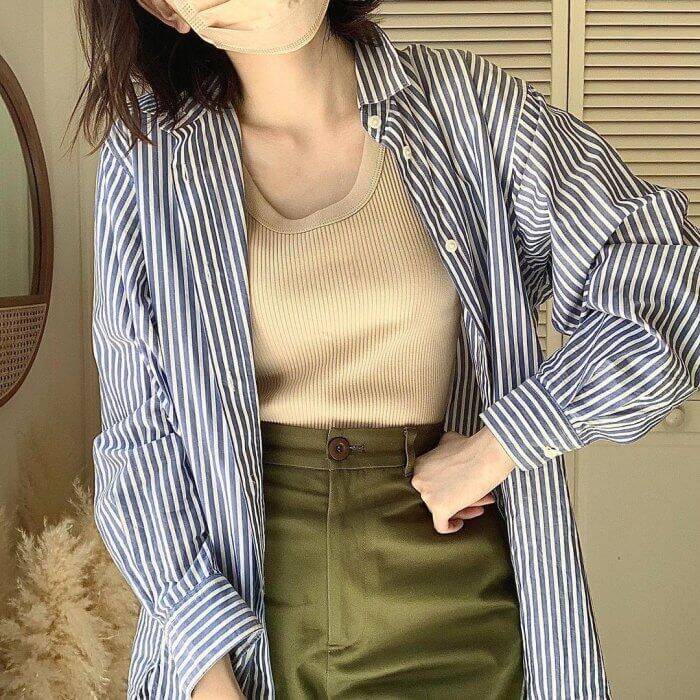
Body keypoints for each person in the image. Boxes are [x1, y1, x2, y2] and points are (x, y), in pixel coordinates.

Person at [76, 0, 700, 698]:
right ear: (165, 8)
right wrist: (206, 674)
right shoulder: (150, 157)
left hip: (453, 612)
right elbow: (136, 438)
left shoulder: (465, 108)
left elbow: (670, 280)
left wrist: (501, 443)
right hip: (248, 628)